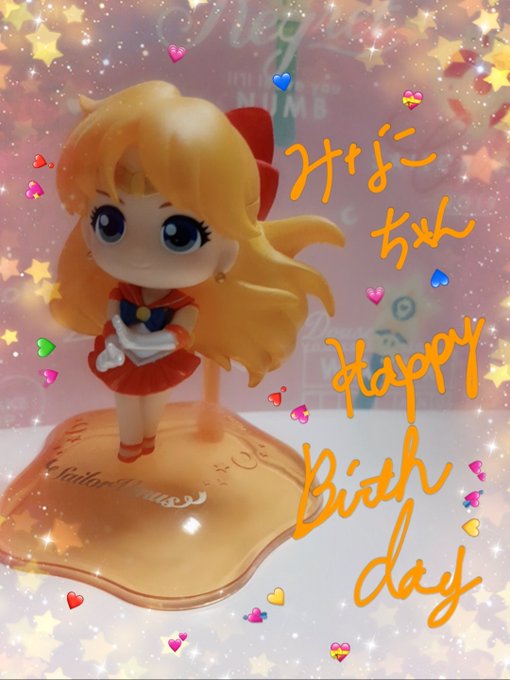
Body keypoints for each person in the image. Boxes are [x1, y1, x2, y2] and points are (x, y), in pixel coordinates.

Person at [51, 81, 344, 462]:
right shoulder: (120, 295)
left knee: (155, 400)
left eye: (179, 234)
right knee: (125, 400)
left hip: (160, 359)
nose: (138, 251)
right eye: (109, 222)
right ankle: (130, 447)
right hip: (123, 357)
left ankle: (146, 440)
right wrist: (114, 343)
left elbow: (181, 332)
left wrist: (154, 344)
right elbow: (112, 320)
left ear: (228, 252)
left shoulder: (182, 303)